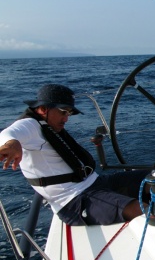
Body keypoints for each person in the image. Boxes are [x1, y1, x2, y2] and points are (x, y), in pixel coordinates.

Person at [0, 84, 147, 226]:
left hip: (98, 183)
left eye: (69, 113)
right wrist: (12, 144)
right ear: (43, 109)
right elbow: (8, 133)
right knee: (144, 210)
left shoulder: (49, 125)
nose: (66, 119)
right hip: (74, 201)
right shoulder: (30, 125)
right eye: (63, 112)